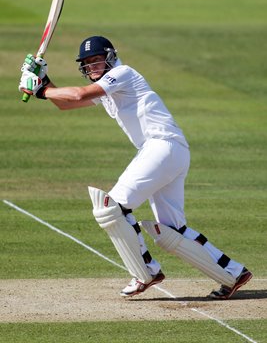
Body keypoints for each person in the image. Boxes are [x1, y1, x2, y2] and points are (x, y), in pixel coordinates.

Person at [19, 35, 252, 299]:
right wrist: (43, 81)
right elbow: (66, 103)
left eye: (96, 61)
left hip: (161, 147)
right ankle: (233, 272)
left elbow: (79, 93)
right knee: (171, 231)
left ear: (109, 57)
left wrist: (40, 89)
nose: (92, 67)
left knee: (111, 207)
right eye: (87, 64)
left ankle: (147, 272)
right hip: (171, 151)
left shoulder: (122, 73)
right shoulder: (106, 88)